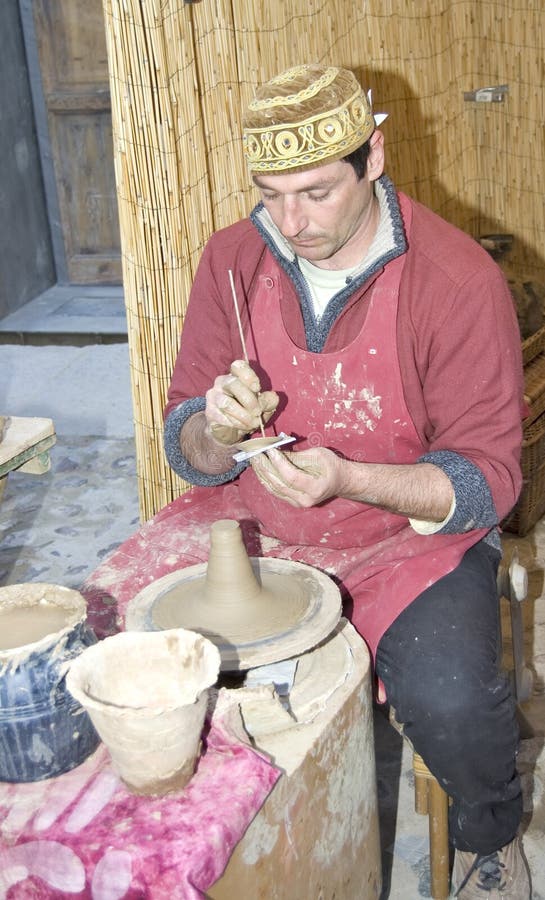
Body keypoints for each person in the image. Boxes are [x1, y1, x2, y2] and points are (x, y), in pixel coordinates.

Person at [163, 64, 530, 897]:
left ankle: (491, 833)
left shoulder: (455, 279)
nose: (292, 223)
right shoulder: (231, 258)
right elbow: (186, 450)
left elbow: (488, 483)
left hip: (405, 544)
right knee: (152, 667)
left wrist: (353, 479)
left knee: (454, 704)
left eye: (317, 193)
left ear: (374, 155)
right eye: (270, 194)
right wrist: (215, 428)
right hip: (256, 530)